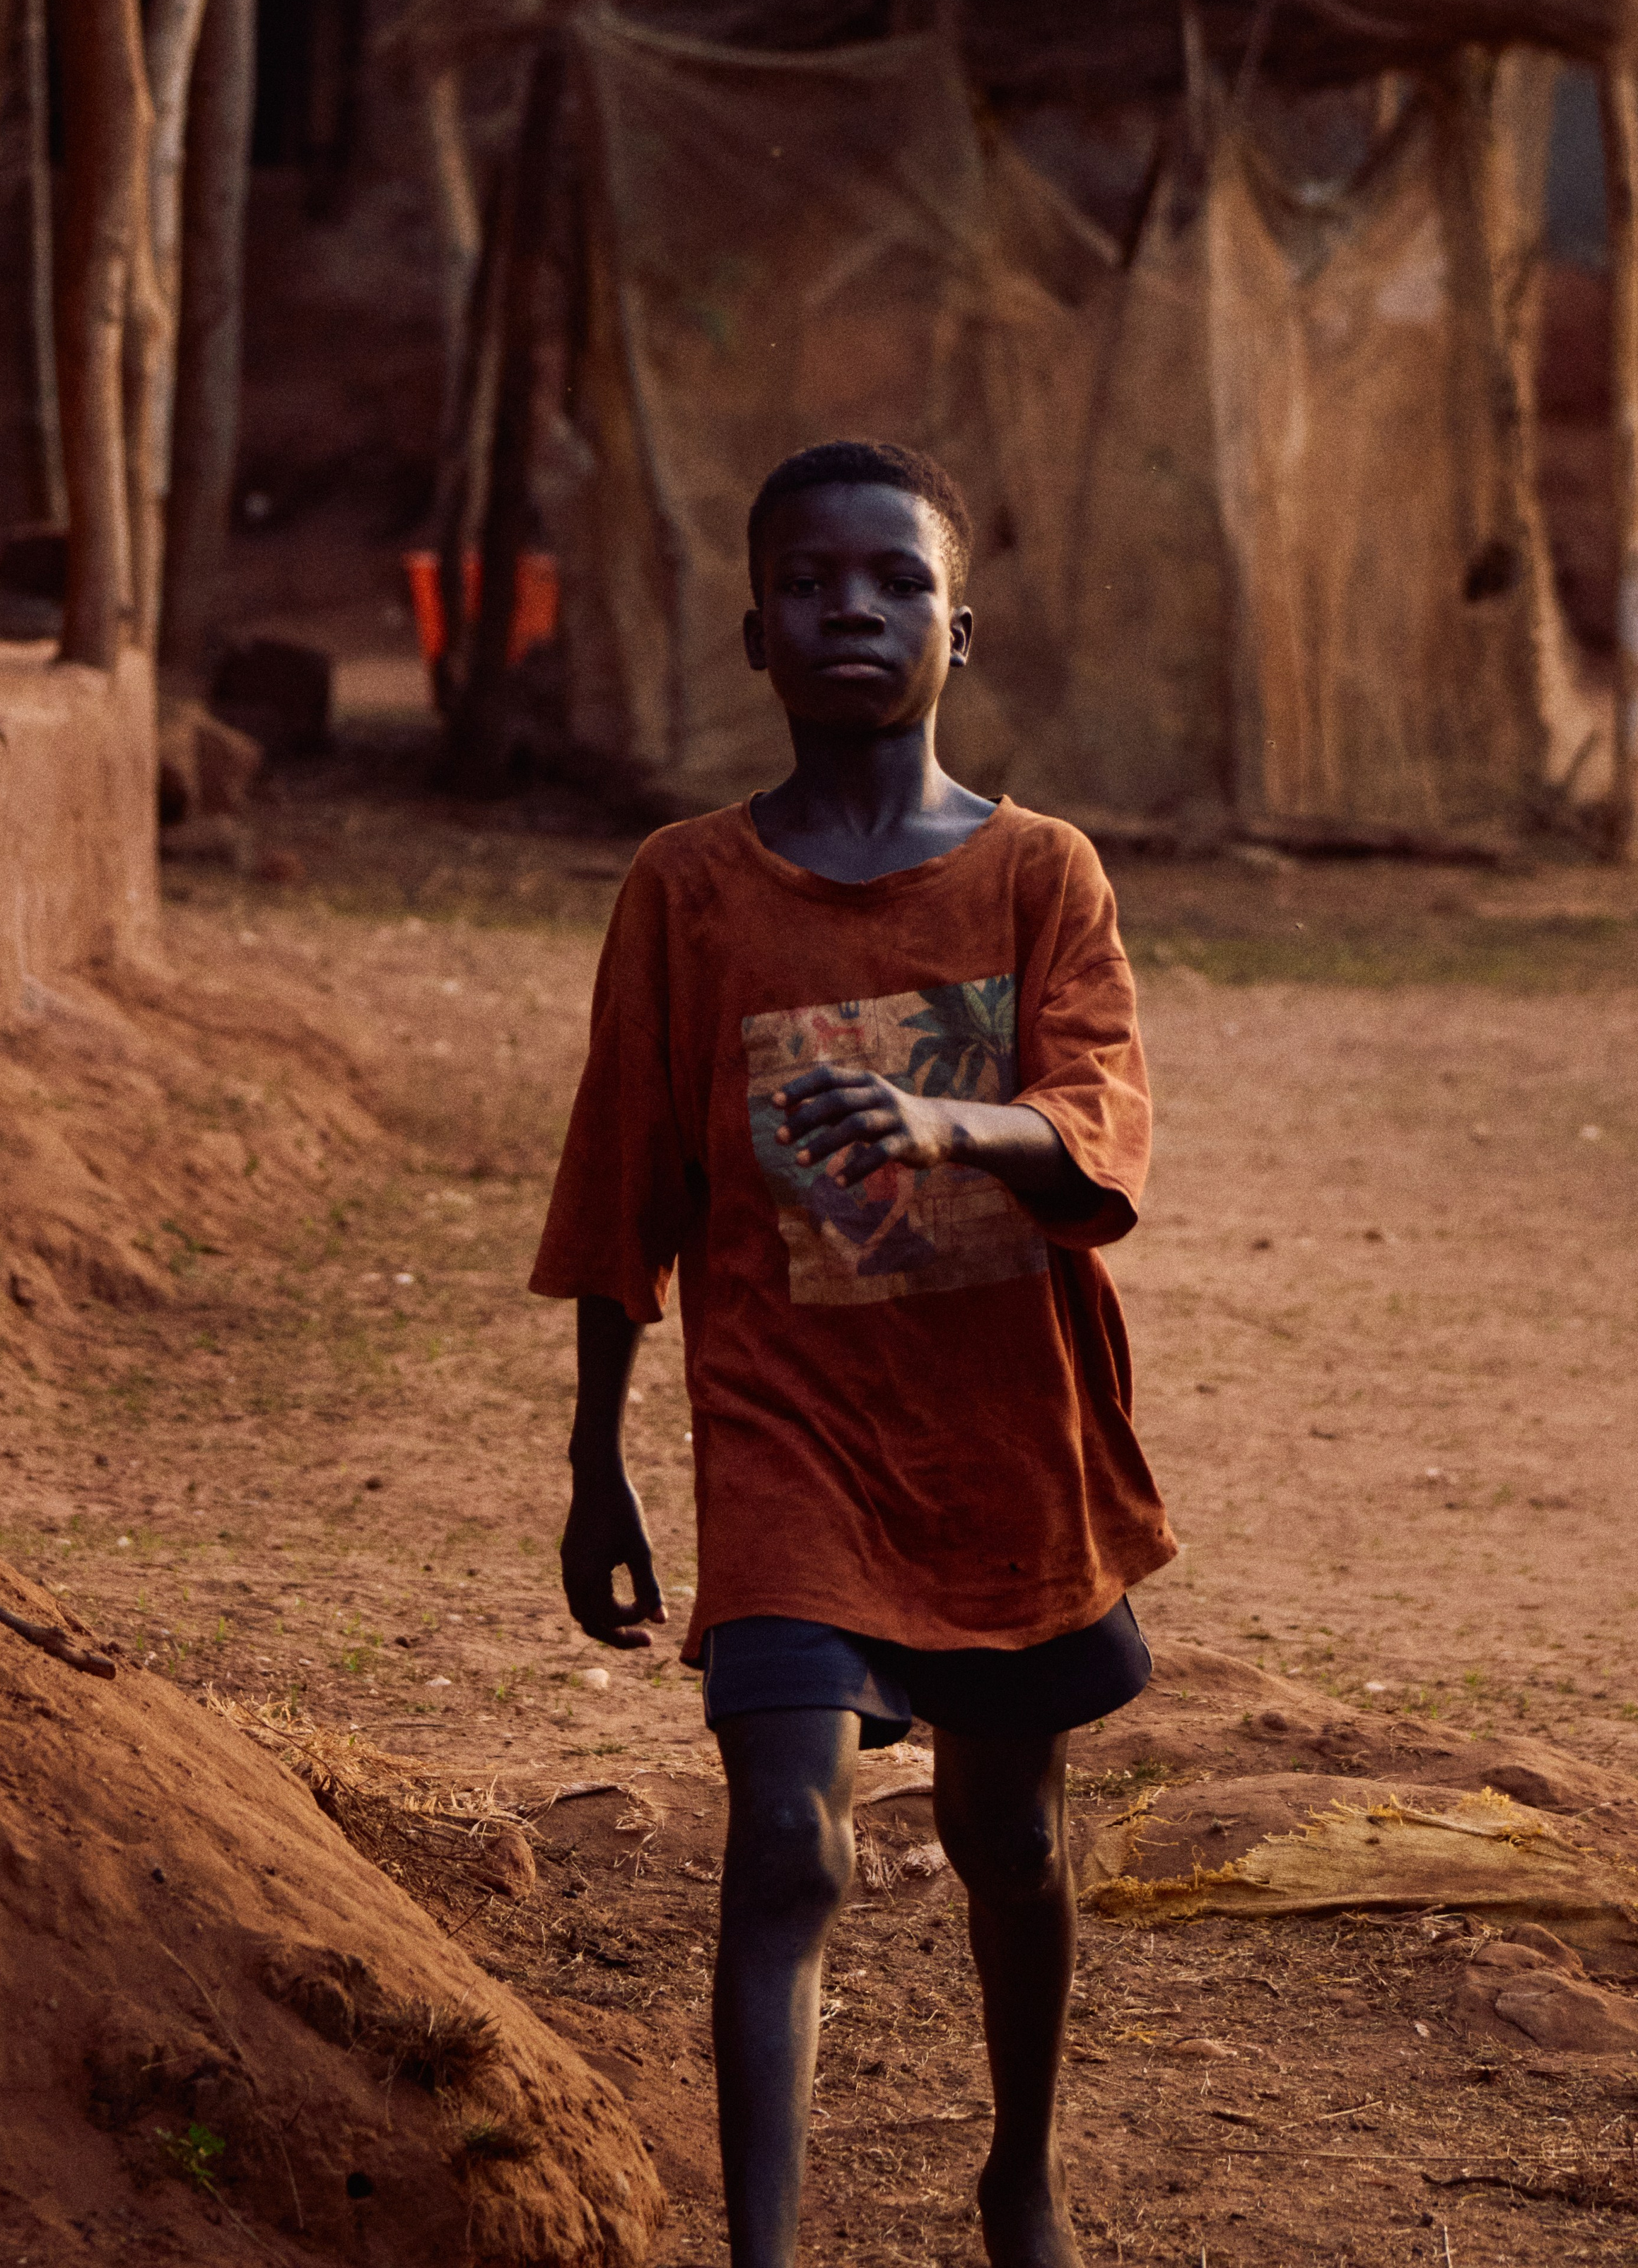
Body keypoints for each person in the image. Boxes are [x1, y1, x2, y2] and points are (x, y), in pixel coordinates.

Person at [530, 439, 1176, 2268]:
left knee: (1011, 1833)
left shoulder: (1043, 876)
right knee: (793, 1841)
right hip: (786, 1427)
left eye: (894, 581)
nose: (853, 609)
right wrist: (595, 1459)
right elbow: (621, 1185)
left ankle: (1023, 2173)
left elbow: (1099, 1114)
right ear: (753, 631)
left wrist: (947, 1126)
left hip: (1001, 1437)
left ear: (960, 625)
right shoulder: (687, 892)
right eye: (811, 582)